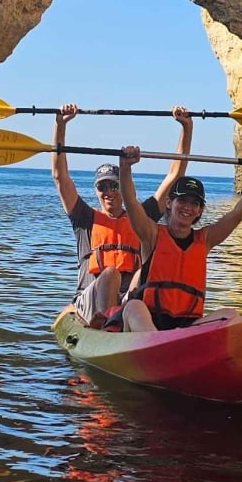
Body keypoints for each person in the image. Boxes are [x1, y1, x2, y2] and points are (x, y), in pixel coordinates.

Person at [53, 104, 193, 327]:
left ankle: (131, 327)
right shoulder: (84, 218)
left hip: (127, 301)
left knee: (146, 273)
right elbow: (60, 176)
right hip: (89, 303)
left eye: (114, 186)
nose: (108, 192)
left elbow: (175, 175)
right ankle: (106, 327)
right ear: (96, 191)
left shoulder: (141, 216)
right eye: (102, 187)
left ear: (123, 186)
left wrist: (186, 127)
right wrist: (60, 125)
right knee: (110, 274)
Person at [117, 144, 242, 332]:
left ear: (200, 210)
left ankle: (179, 347)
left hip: (187, 328)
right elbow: (131, 202)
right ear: (169, 203)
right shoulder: (151, 234)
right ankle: (160, 348)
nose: (187, 207)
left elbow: (237, 213)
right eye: (182, 201)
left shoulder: (205, 239)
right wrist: (125, 169)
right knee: (134, 307)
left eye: (194, 203)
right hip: (149, 325)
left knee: (231, 314)